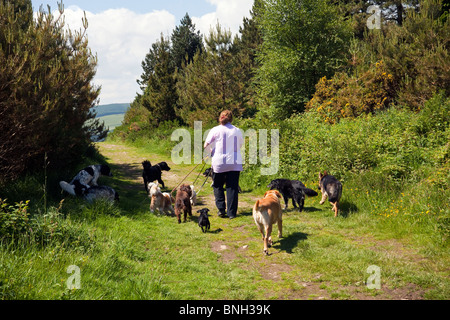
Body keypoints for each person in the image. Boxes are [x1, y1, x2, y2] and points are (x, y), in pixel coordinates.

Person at [204, 110, 244, 219]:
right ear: (231, 119)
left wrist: (211, 152)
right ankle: (231, 213)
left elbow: (206, 145)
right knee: (232, 188)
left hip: (219, 162)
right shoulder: (237, 130)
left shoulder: (215, 130)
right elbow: (240, 145)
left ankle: (221, 209)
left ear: (220, 118)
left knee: (218, 186)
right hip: (234, 162)